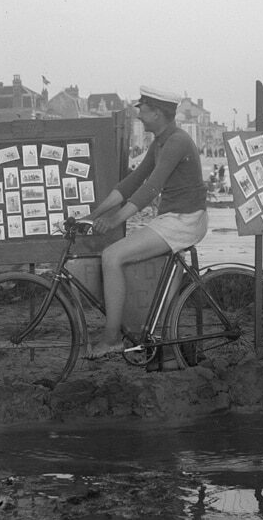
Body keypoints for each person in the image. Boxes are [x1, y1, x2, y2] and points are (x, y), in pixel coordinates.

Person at [85, 85, 208, 359]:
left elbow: (151, 188)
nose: (138, 114)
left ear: (158, 113)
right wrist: (94, 214)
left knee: (111, 257)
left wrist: (115, 218)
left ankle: (111, 339)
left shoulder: (177, 141)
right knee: (119, 256)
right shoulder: (162, 141)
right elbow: (132, 183)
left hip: (185, 220)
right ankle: (144, 328)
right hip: (172, 217)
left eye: (143, 108)